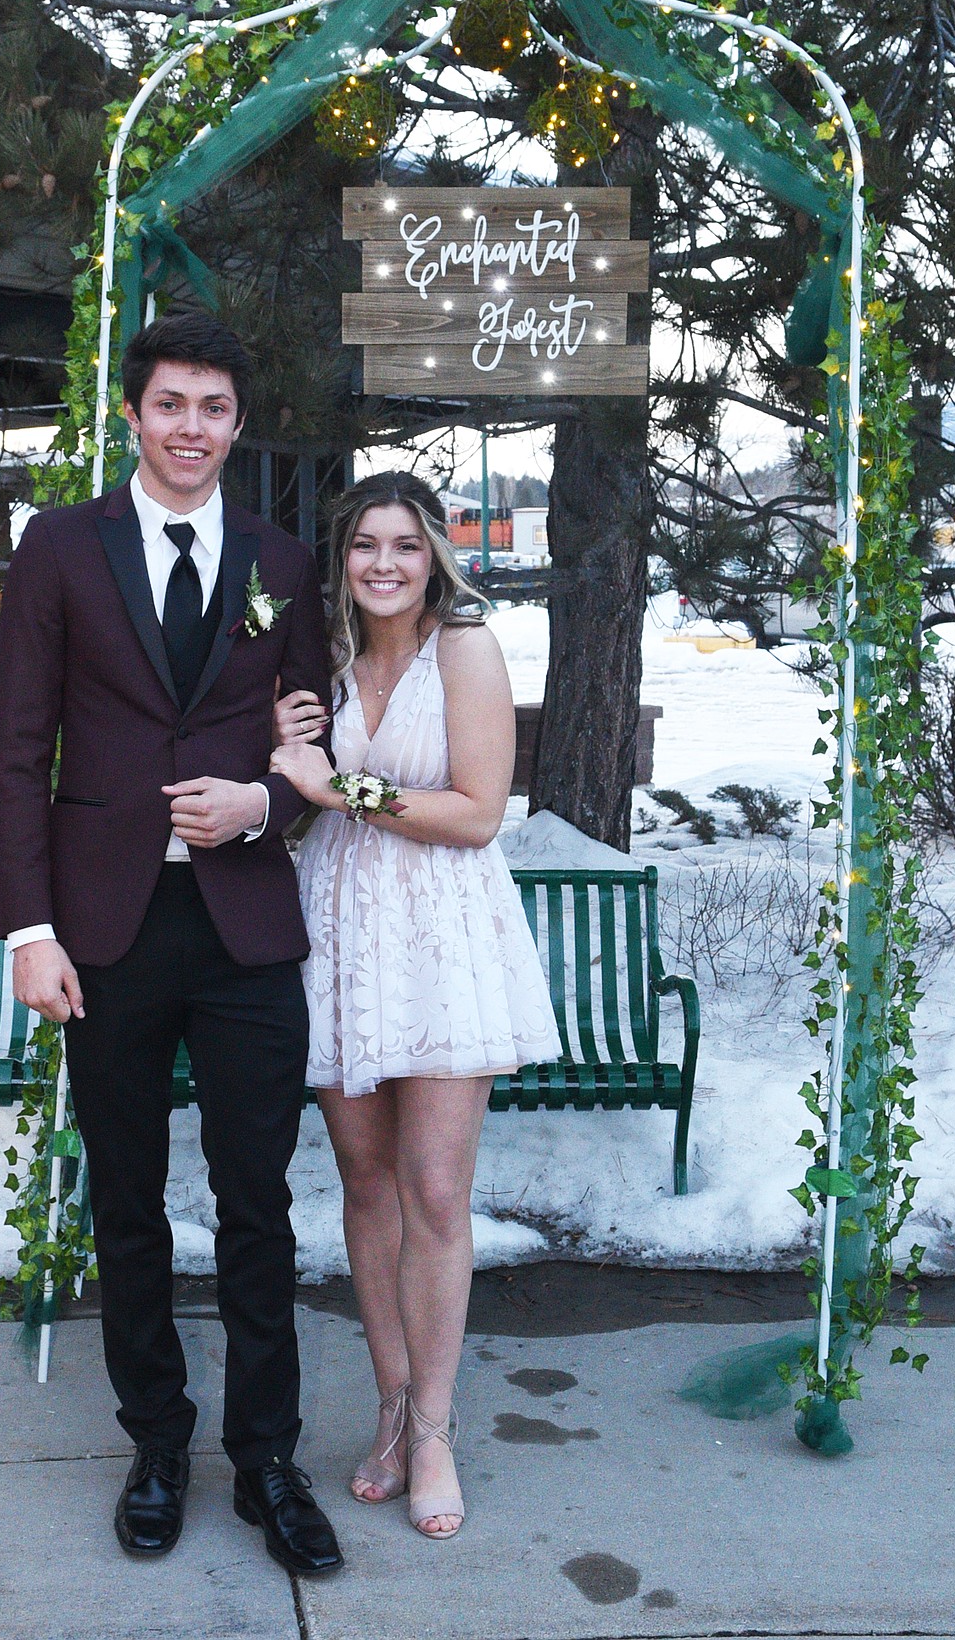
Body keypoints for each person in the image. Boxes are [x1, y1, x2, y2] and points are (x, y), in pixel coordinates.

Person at [0, 312, 343, 1576]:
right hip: (109, 929)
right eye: (172, 404)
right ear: (133, 415)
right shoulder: (60, 550)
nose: (193, 427)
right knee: (128, 1204)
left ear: (238, 425)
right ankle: (155, 1442)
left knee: (261, 1206)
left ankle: (266, 1460)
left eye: (215, 408)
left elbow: (317, 745)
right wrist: (30, 927)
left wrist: (267, 801)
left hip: (245, 928)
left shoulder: (283, 561)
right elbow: (21, 752)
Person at [268, 472, 561, 1540]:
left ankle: (435, 1427)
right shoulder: (329, 659)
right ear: (341, 558)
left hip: (441, 931)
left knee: (436, 1188)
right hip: (345, 930)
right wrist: (287, 738)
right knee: (366, 1180)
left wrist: (339, 787)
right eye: (362, 546)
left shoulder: (466, 648)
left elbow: (479, 812)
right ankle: (389, 1404)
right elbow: (295, 785)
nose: (382, 563)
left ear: (434, 552)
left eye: (402, 544)